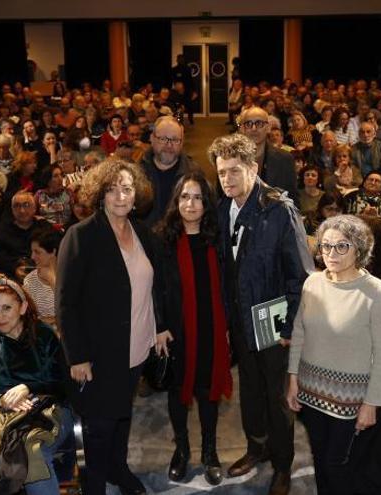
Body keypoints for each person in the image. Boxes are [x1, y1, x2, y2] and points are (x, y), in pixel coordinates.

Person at [209, 133, 313, 495]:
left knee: (279, 397)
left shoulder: (279, 208)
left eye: (234, 171)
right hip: (240, 321)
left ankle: (283, 464)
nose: (227, 179)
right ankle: (257, 448)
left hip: (275, 323)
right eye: (222, 172)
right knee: (249, 391)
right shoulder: (224, 209)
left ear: (253, 168)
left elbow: (301, 276)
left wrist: (289, 326)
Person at [56, 158, 164, 495]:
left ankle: (118, 468)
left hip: (137, 344)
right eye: (113, 189)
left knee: (122, 414)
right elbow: (66, 302)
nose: (120, 196)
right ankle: (95, 484)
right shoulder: (81, 235)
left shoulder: (144, 233)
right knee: (99, 426)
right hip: (99, 352)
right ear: (100, 194)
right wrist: (77, 356)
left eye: (127, 189)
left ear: (136, 194)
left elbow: (155, 286)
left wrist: (159, 327)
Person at [286, 215, 381, 495]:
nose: (331, 254)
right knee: (321, 460)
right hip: (310, 393)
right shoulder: (313, 284)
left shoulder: (375, 292)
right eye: (325, 246)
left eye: (341, 246)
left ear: (359, 249)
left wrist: (372, 403)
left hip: (350, 401)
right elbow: (299, 332)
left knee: (339, 466)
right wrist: (293, 379)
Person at [154, 172, 233, 485]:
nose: (191, 203)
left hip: (211, 327)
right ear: (176, 201)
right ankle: (182, 450)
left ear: (207, 203)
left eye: (198, 197)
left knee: (208, 391)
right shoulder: (163, 240)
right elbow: (155, 288)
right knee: (178, 391)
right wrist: (159, 326)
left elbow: (228, 285)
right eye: (185, 196)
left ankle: (210, 452)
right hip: (177, 330)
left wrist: (227, 325)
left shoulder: (217, 238)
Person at [0, 278, 74, 494]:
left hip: (50, 412)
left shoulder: (44, 336)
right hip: (1, 417)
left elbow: (63, 385)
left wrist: (28, 387)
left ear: (23, 307)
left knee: (32, 453)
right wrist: (0, 400)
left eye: (7, 308)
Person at [139, 116, 198, 226]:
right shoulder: (136, 173)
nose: (169, 145)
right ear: (151, 138)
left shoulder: (194, 174)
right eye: (163, 139)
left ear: (182, 142)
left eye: (175, 140)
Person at [237, 107, 298, 200]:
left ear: (268, 127)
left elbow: (292, 198)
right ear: (242, 129)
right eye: (248, 124)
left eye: (259, 123)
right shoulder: (231, 159)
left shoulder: (285, 159)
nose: (254, 128)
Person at [0, 192, 51, 278]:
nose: (22, 210)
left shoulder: (45, 227)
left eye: (26, 205)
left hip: (45, 273)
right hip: (11, 275)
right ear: (12, 209)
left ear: (34, 208)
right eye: (17, 206)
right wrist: (14, 267)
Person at [24, 228, 61, 328]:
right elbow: (30, 319)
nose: (32, 256)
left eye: (37, 252)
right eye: (32, 251)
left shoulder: (70, 275)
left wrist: (53, 281)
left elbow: (72, 311)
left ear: (53, 252)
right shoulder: (30, 280)